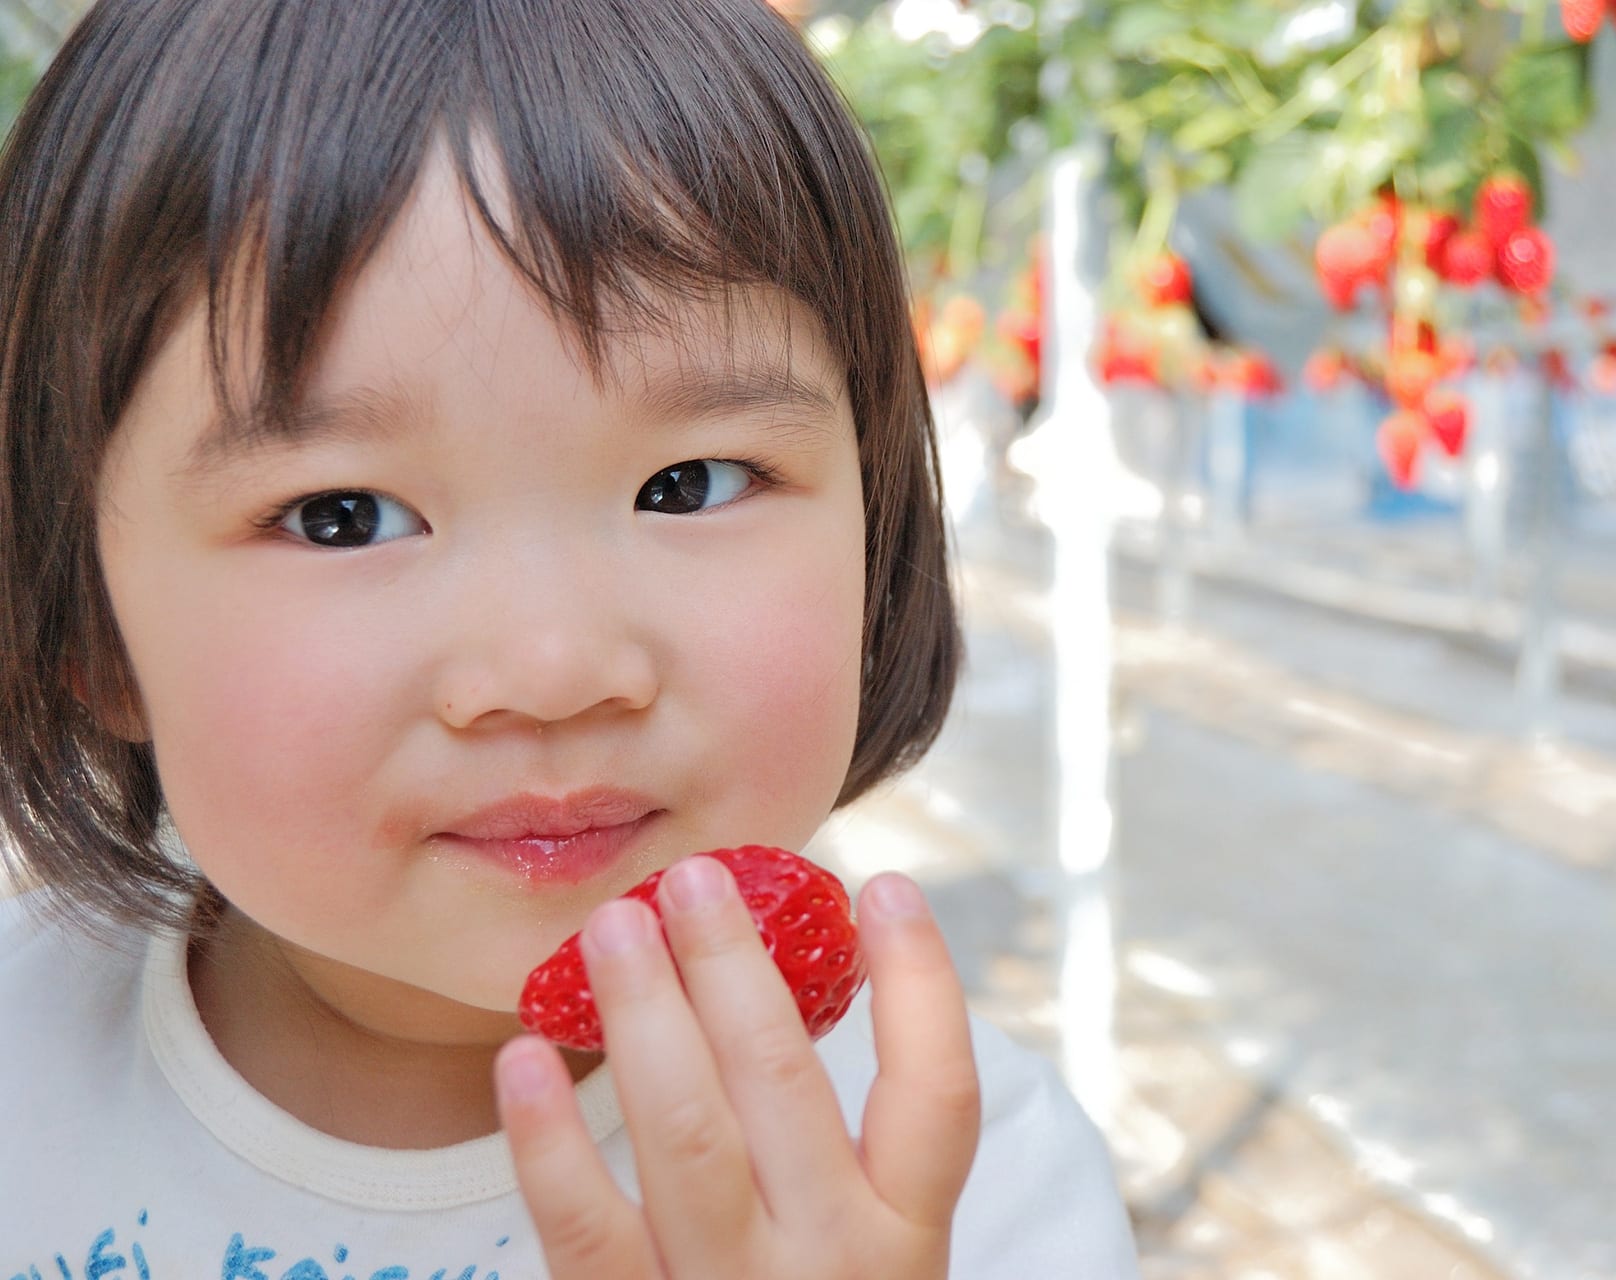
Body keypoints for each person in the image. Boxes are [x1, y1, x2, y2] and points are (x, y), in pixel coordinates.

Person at [0, 1, 1140, 1275]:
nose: (554, 669)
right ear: (87, 624)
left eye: (692, 482)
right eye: (343, 517)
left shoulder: (955, 1183)